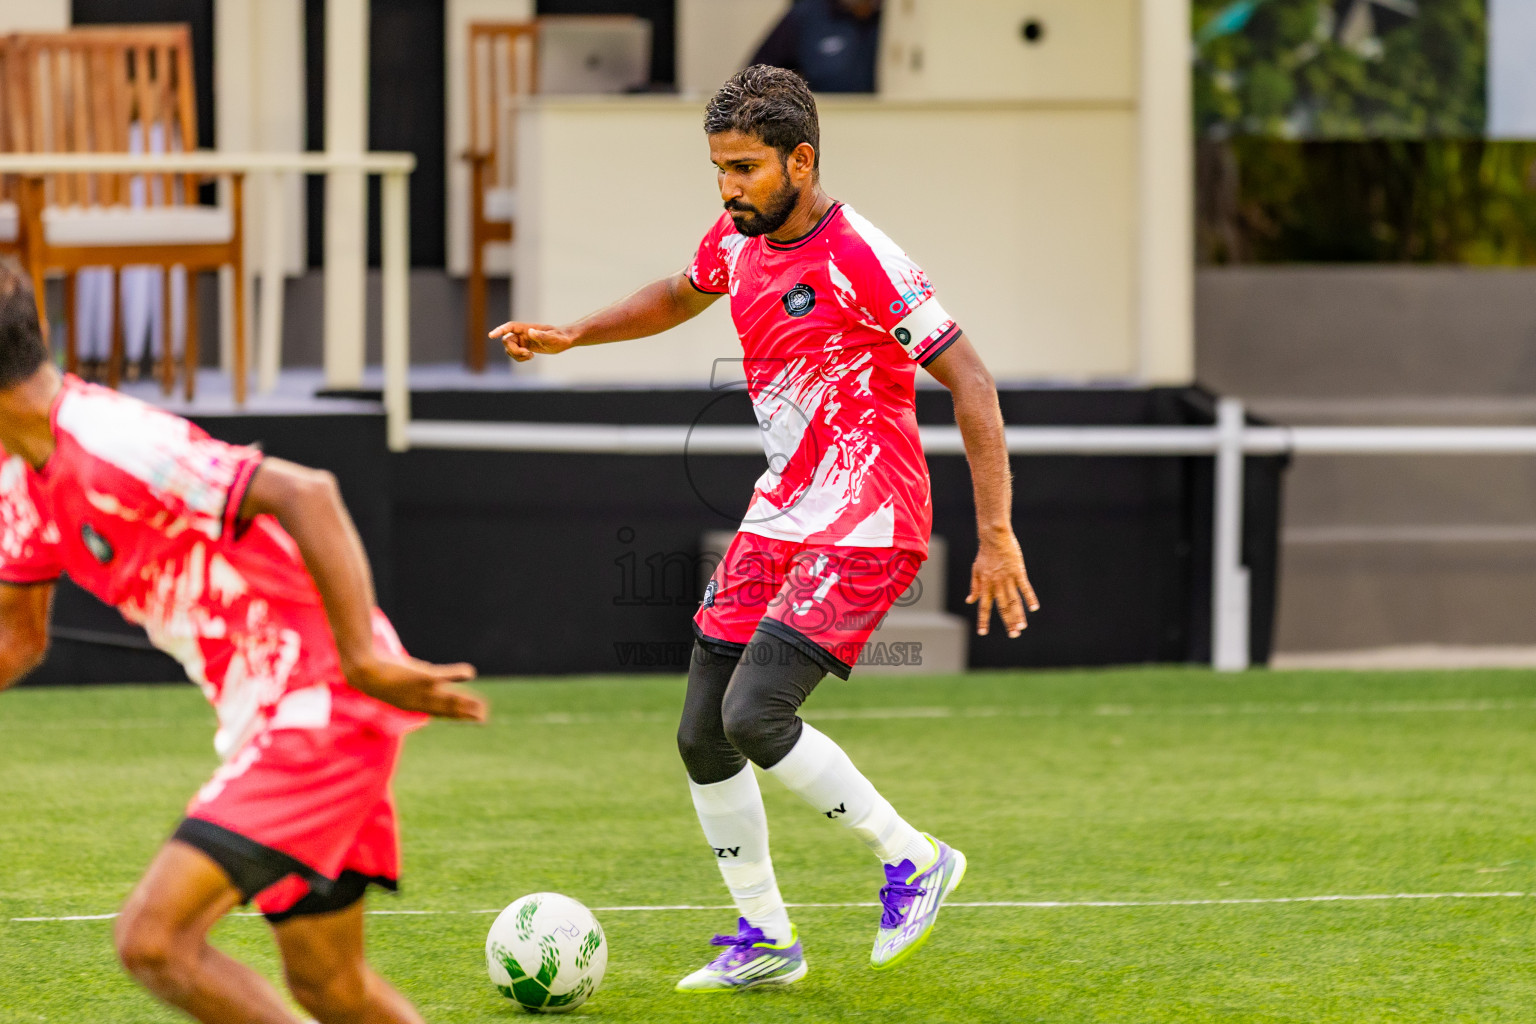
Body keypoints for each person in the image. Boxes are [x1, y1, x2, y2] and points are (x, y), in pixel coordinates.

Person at [491, 65, 1038, 990]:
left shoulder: (863, 255)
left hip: (870, 516)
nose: (727, 188)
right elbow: (677, 292)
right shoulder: (737, 237)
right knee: (703, 731)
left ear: (802, 160)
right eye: (718, 169)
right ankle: (766, 941)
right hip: (784, 509)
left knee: (756, 713)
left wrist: (996, 534)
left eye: (743, 169)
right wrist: (572, 335)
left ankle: (913, 858)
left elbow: (973, 382)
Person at [0, 259, 487, 1024]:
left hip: (321, 703)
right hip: (269, 715)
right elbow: (18, 636)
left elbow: (306, 492)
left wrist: (362, 659)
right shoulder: (19, 480)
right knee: (331, 986)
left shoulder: (112, 439)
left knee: (154, 942)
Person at [751, 0, 882, 93]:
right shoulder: (805, 15)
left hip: (886, 121)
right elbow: (755, 78)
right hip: (824, 119)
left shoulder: (897, 18)